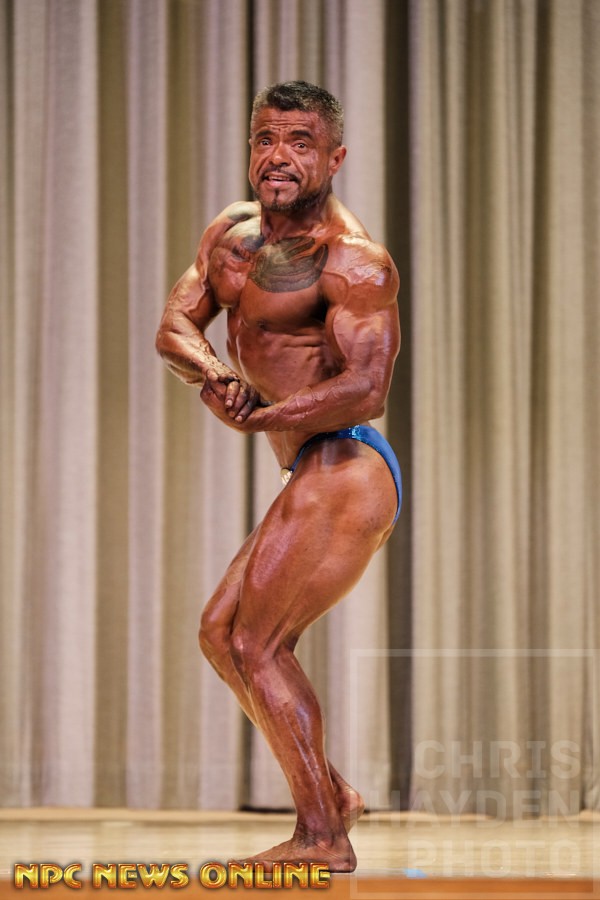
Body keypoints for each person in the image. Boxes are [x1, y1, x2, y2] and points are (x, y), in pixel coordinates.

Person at [156, 81, 401, 873]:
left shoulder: (354, 261)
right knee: (221, 634)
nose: (279, 157)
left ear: (334, 157)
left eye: (300, 142)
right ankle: (332, 796)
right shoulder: (232, 236)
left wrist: (263, 415)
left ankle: (321, 837)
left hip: (349, 460)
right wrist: (214, 375)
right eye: (266, 139)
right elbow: (175, 325)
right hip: (309, 464)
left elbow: (369, 386)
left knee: (257, 643)